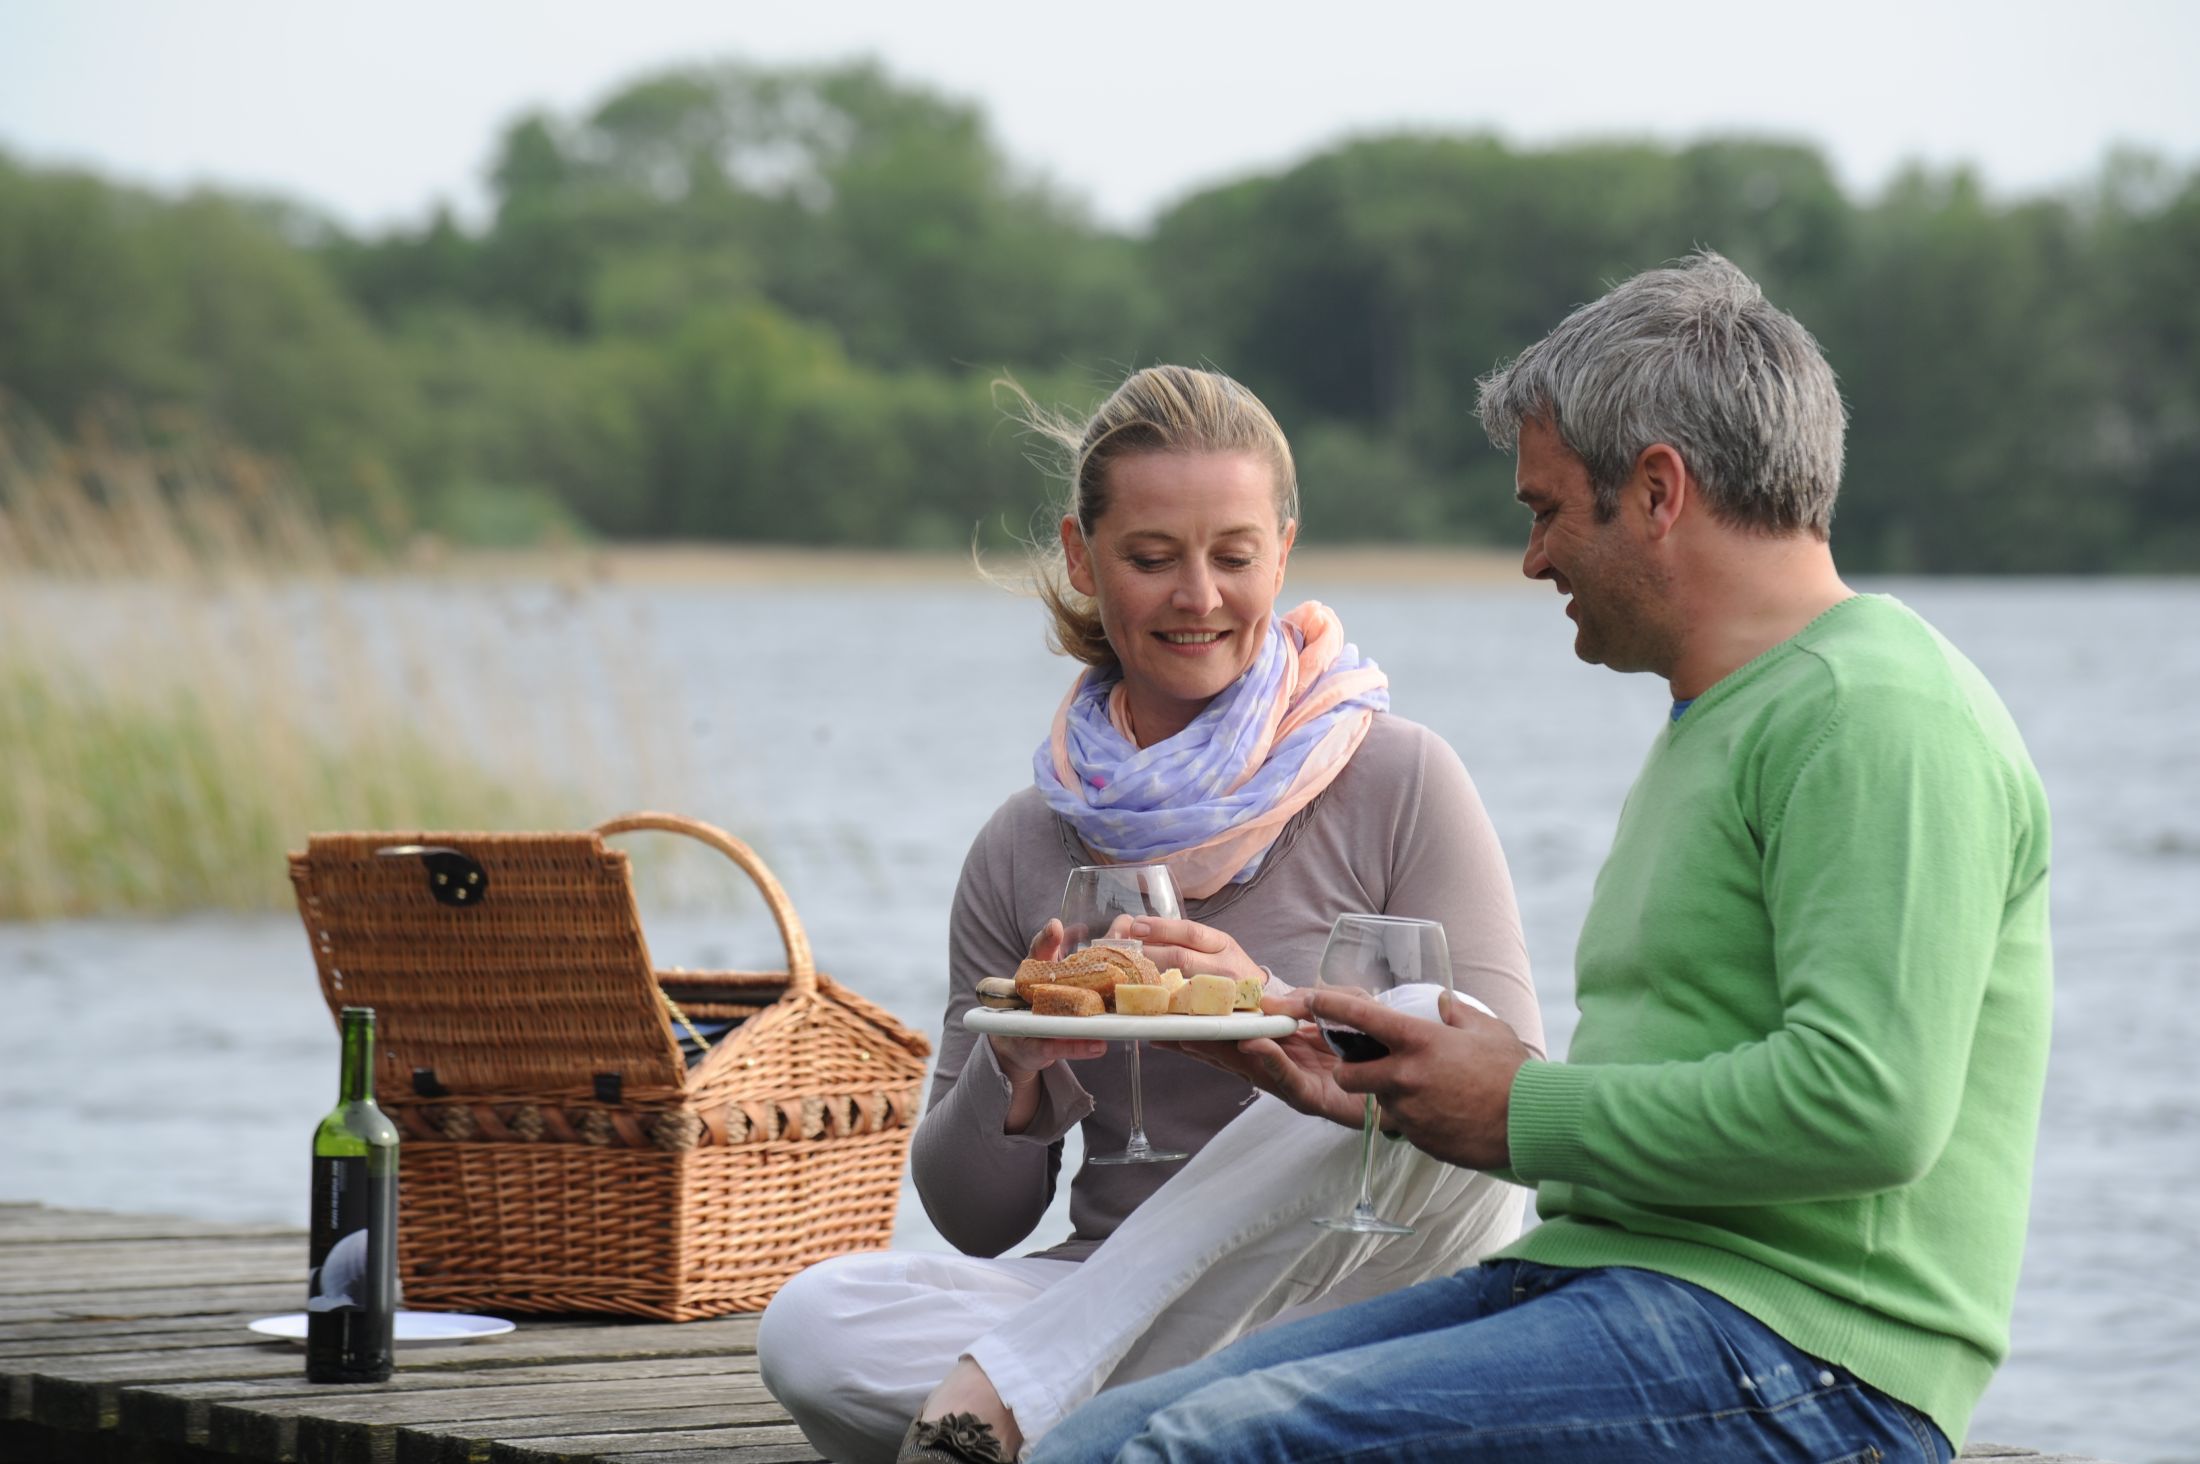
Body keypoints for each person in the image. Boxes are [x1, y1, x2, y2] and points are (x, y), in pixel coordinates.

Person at [1028, 254, 2053, 1464]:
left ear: (1658, 490)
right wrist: (1408, 1096)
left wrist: (1520, 1106)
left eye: (1547, 509)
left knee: (1199, 1449)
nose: (1532, 559)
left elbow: (1869, 1108)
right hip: (1620, 1280)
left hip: (1811, 1361)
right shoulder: (1723, 716)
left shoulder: (1873, 715)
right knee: (1103, 1436)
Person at [756, 365, 1546, 1463]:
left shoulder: (1401, 776)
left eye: (1233, 555)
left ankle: (1017, 1405)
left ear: (1282, 549)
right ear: (1083, 559)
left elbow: (1504, 1102)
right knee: (814, 1326)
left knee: (1420, 1005)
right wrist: (1016, 1069)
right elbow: (974, 1220)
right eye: (1151, 557)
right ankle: (1203, 1416)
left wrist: (1262, 1008)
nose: (1198, 598)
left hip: (1365, 1289)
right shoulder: (1025, 844)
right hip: (1118, 1298)